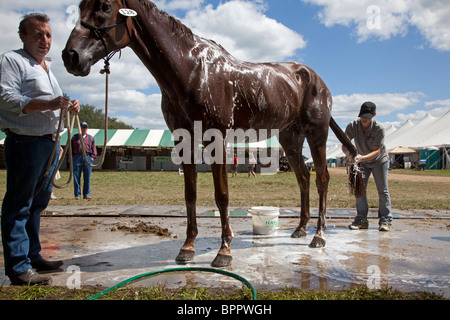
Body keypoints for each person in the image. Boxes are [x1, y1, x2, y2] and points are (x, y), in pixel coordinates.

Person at [0, 13, 80, 285]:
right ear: (23, 36)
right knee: (19, 205)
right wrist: (50, 104)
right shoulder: (12, 60)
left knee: (37, 204)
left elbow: (53, 101)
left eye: (47, 35)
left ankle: (33, 257)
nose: (44, 40)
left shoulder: (47, 67)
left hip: (48, 142)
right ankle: (19, 268)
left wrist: (68, 105)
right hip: (26, 141)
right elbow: (7, 99)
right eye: (37, 35)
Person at [344, 102, 393, 232]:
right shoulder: (352, 126)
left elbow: (377, 151)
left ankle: (385, 220)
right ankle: (361, 219)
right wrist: (348, 154)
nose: (364, 119)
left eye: (367, 117)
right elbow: (345, 143)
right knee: (360, 190)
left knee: (382, 190)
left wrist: (362, 157)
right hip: (362, 162)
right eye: (362, 116)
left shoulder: (379, 129)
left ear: (374, 115)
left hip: (379, 161)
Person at [71, 122, 97, 200]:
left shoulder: (91, 138)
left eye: (85, 127)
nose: (84, 129)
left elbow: (93, 148)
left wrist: (92, 156)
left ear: (87, 128)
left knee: (87, 177)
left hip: (87, 156)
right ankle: (77, 195)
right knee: (76, 176)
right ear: (80, 128)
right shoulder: (74, 137)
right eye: (83, 127)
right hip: (77, 156)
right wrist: (72, 157)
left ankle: (86, 194)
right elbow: (70, 147)